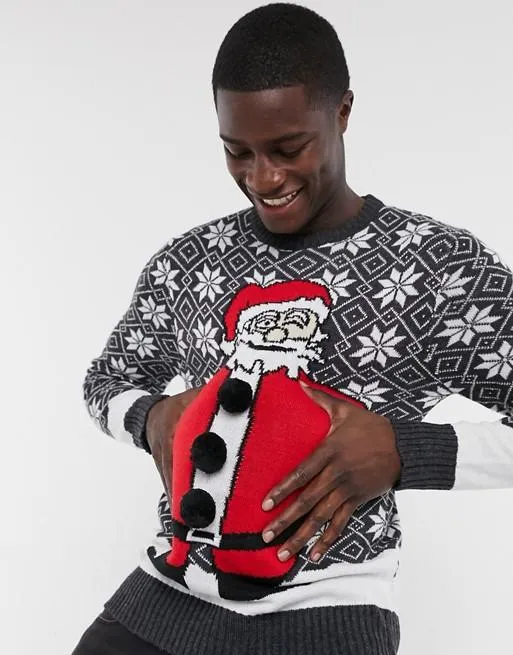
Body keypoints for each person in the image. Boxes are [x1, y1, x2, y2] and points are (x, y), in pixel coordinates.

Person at [74, 3, 513, 654]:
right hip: (165, 598)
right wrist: (150, 417)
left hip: (325, 619)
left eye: (288, 149)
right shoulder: (190, 260)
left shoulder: (437, 267)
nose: (264, 178)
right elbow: (106, 381)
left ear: (342, 112)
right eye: (237, 152)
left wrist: (404, 450)